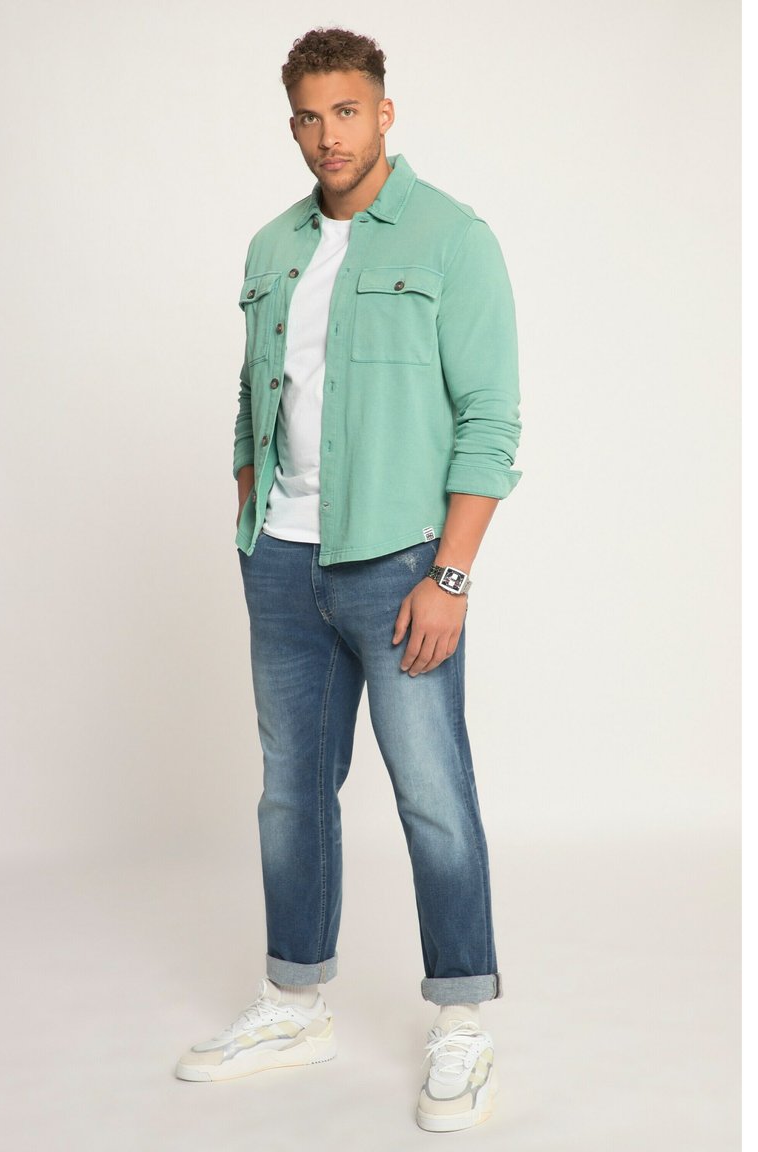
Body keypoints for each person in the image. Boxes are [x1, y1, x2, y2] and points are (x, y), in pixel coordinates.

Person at [175, 26, 522, 1133]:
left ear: (383, 113)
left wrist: (449, 576)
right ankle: (294, 1004)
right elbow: (255, 391)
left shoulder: (451, 237)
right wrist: (249, 496)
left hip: (400, 565)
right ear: (292, 125)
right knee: (291, 793)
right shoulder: (272, 245)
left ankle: (461, 1025)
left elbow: (490, 420)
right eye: (309, 116)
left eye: (347, 111)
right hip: (281, 564)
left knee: (433, 795)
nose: (329, 134)